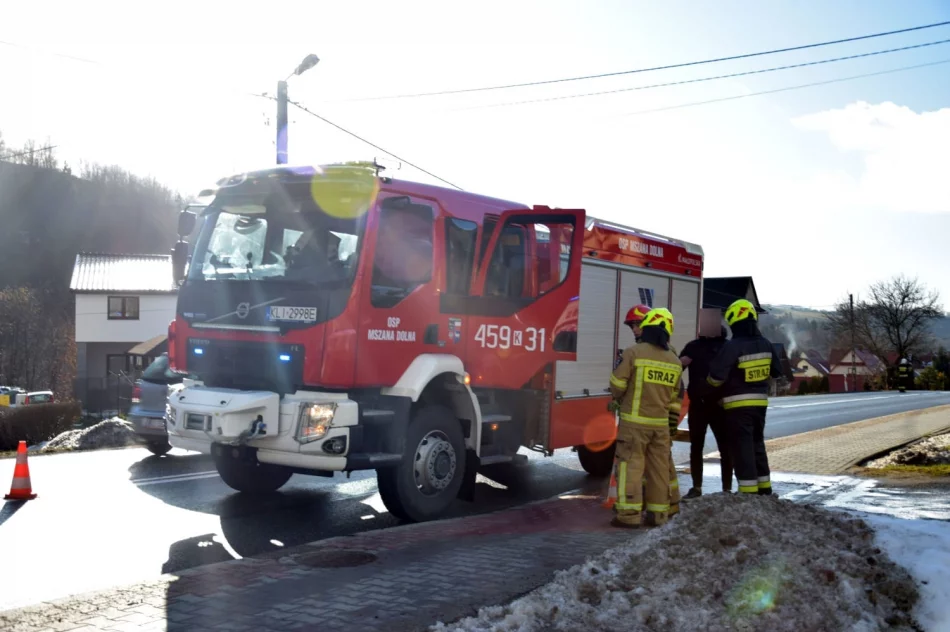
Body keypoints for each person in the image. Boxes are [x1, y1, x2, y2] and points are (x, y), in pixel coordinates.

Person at [608, 308, 684, 528]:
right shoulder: (674, 360)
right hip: (659, 426)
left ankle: (629, 515)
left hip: (634, 423)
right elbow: (675, 396)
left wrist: (621, 398)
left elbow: (617, 385)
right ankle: (658, 515)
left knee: (630, 467)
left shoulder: (633, 353)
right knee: (659, 470)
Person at [706, 299, 782, 496]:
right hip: (760, 404)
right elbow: (777, 372)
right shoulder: (766, 344)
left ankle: (748, 492)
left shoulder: (733, 346)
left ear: (734, 322)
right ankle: (764, 488)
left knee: (742, 447)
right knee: (757, 444)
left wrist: (709, 390)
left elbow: (716, 377)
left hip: (737, 406)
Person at [679, 316, 734, 498]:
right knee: (710, 448)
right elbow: (677, 368)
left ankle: (715, 488)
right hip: (708, 405)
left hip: (712, 405)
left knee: (716, 448)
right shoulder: (699, 347)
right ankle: (713, 488)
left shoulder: (719, 347)